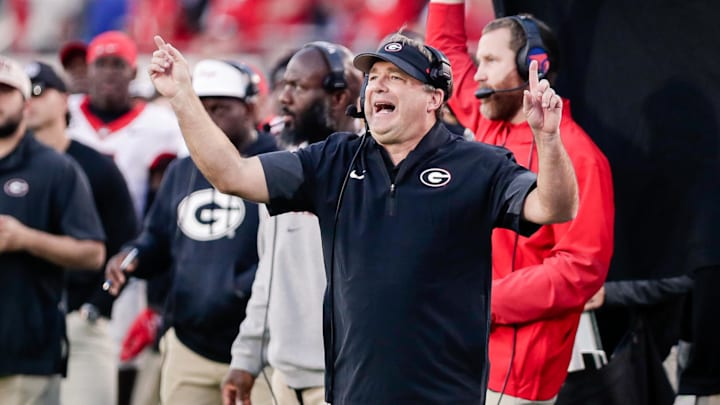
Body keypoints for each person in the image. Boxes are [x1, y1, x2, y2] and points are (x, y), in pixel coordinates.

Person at [137, 30, 579, 403]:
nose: (378, 86)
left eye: (396, 77)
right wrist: (182, 97)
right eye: (374, 78)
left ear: (433, 98)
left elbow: (553, 206)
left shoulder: (479, 164)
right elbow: (232, 175)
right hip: (352, 393)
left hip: (446, 394)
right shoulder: (333, 159)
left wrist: (548, 139)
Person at [426, 2, 614, 403]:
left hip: (517, 374)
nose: (477, 73)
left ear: (535, 66)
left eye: (491, 60)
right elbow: (446, 50)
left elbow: (580, 269)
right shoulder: (487, 120)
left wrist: (484, 301)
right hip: (461, 355)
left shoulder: (578, 156)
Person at [105, 58, 278, 405]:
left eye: (221, 108)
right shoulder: (182, 170)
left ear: (249, 107)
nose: (209, 117)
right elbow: (158, 238)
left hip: (262, 348)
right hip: (190, 344)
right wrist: (133, 256)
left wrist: (236, 287)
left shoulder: (279, 163)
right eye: (201, 107)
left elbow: (290, 255)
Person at [222, 42, 362, 405]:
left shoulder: (373, 171)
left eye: (297, 87)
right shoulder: (283, 169)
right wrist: (246, 358)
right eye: (284, 85)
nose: (283, 98)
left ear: (339, 95)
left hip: (346, 379)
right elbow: (268, 273)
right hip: (281, 377)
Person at [65, 30, 186, 402]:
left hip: (127, 256)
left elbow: (182, 182)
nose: (108, 73)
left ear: (133, 71)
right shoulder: (65, 112)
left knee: (122, 358)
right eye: (100, 63)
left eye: (118, 64)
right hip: (66, 254)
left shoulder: (158, 124)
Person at [25, 60, 139, 405]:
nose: (29, 101)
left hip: (80, 318)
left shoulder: (95, 166)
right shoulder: (8, 166)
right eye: (21, 93)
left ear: (65, 100)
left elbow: (127, 242)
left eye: (40, 91)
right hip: (21, 320)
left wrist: (97, 304)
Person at [0, 55, 106, 405]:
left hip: (25, 353)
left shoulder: (57, 169)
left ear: (25, 102)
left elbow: (92, 252)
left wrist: (25, 238)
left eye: (5, 92)